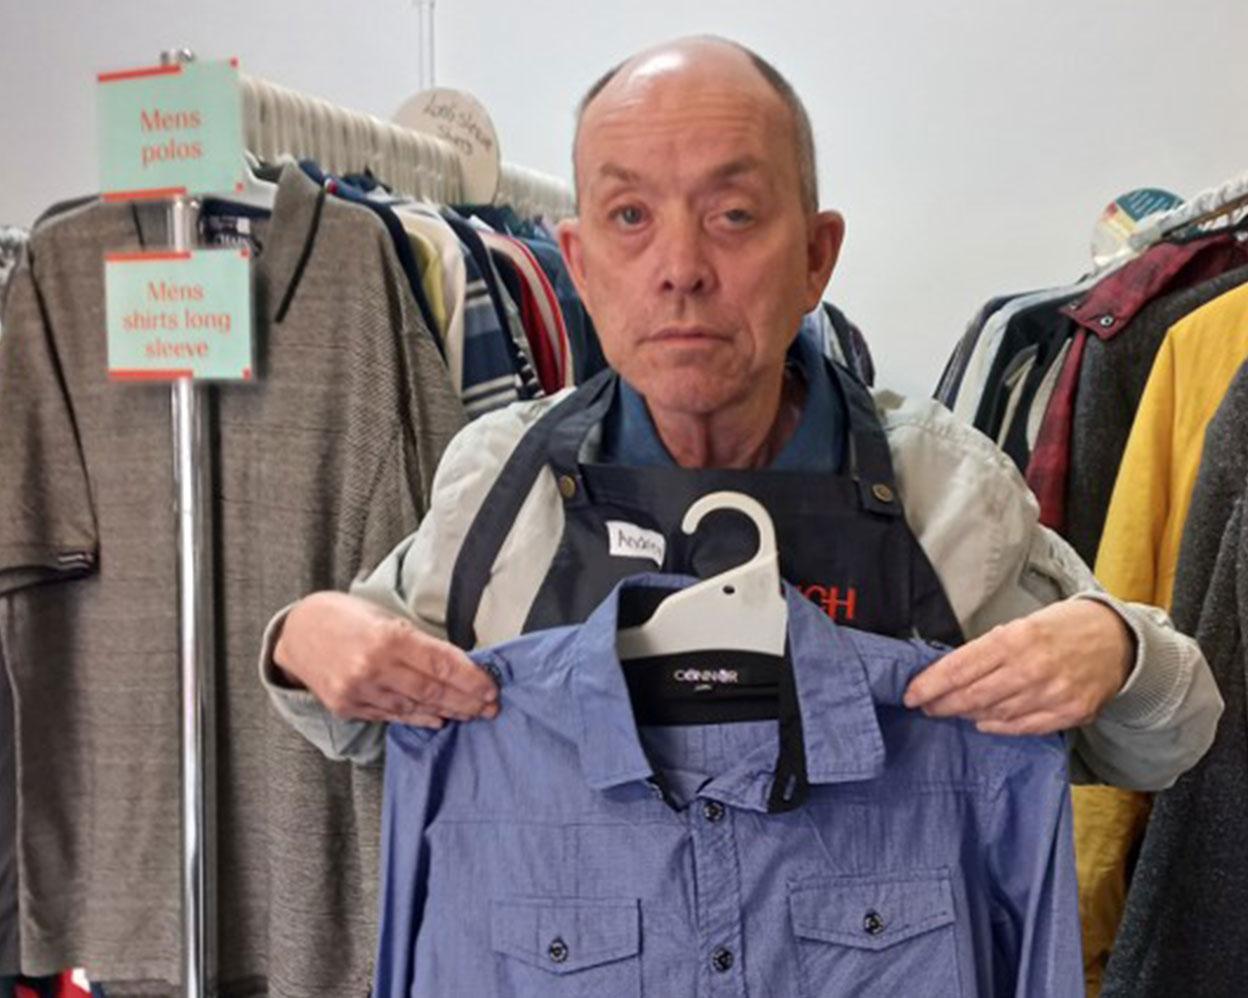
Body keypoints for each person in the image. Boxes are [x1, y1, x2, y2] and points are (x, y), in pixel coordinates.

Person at [260, 36, 1219, 790]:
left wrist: (1118, 652)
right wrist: (304, 641)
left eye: (733, 214)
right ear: (580, 267)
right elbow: (365, 720)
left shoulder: (948, 493)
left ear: (816, 256)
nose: (680, 267)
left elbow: (1155, 747)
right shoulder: (498, 487)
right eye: (630, 217)